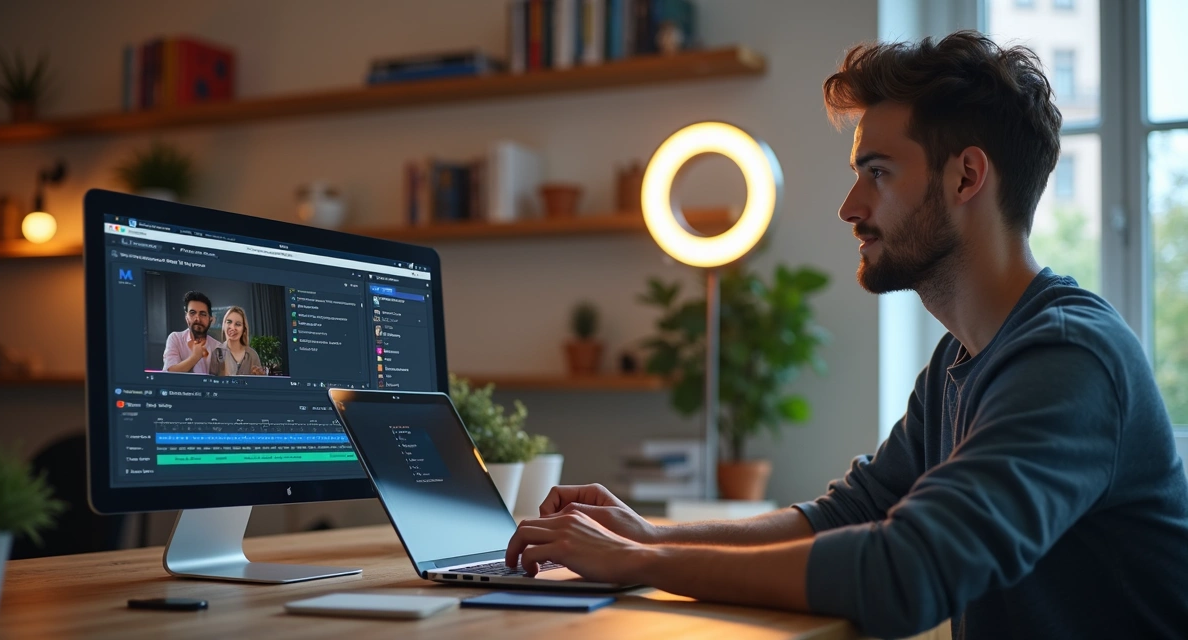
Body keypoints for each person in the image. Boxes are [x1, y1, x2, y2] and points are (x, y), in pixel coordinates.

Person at [504, 31, 1188, 639]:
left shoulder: (1069, 359)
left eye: (878, 173)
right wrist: (651, 535)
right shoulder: (962, 359)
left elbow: (904, 572)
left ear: (966, 176)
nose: (849, 207)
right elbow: (852, 513)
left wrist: (644, 562)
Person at [162, 291, 221, 374]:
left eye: (203, 314)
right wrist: (195, 357)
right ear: (186, 317)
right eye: (192, 313)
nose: (197, 319)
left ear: (210, 319)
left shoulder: (217, 347)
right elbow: (169, 373)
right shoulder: (175, 339)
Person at [209, 306, 265, 376]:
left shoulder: (252, 355)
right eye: (229, 322)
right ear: (224, 326)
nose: (232, 327)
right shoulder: (217, 353)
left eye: (238, 324)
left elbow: (260, 381)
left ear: (244, 329)